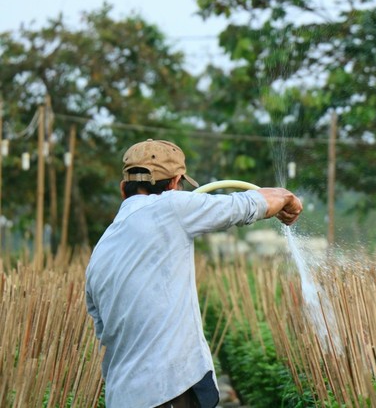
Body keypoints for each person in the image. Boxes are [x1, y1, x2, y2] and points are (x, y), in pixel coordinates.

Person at [85, 139, 303, 408]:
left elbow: (103, 332)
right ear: (176, 183)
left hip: (123, 397)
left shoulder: (100, 252)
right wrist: (287, 197)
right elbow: (245, 204)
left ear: (123, 189)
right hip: (168, 392)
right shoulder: (171, 207)